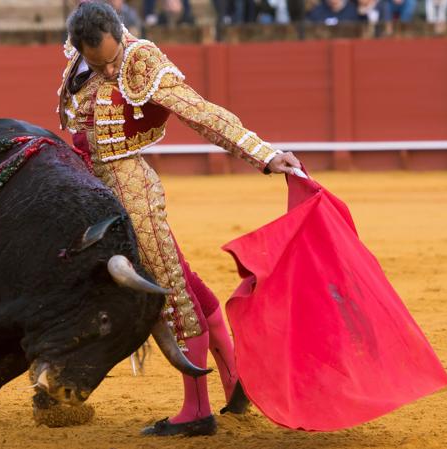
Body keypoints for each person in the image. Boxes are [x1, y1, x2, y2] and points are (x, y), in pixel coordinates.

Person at [59, 1, 300, 436]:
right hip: (90, 187)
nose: (110, 70)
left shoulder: (141, 58)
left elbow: (200, 112)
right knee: (181, 276)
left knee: (169, 290)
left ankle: (196, 411)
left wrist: (264, 154)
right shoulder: (79, 60)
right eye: (99, 63)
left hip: (131, 187)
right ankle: (234, 382)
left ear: (121, 33)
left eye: (112, 58)